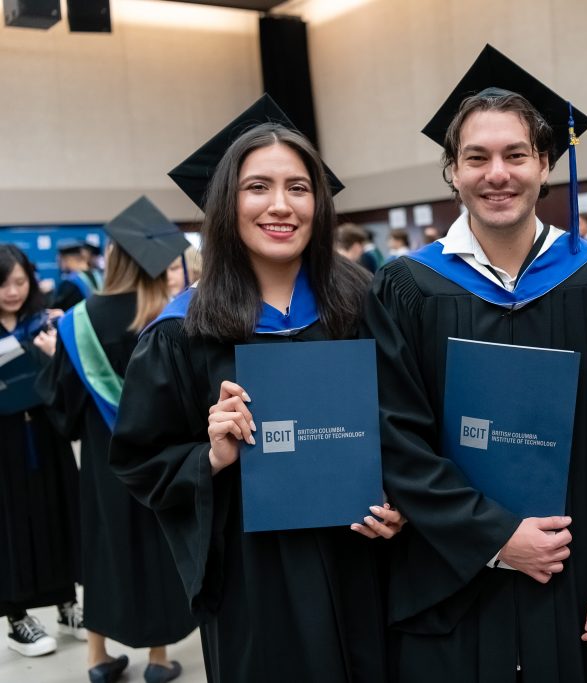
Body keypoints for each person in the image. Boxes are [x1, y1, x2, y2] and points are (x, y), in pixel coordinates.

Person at [364, 44, 587, 682]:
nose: (496, 173)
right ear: (452, 172)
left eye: (515, 155)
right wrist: (496, 536)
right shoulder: (407, 288)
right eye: (476, 158)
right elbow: (396, 436)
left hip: (582, 581)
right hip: (453, 579)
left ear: (545, 164)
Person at [108, 97, 403, 683]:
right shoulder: (182, 331)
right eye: (257, 187)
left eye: (298, 187)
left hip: (363, 560)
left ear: (319, 202)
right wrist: (210, 456)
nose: (280, 205)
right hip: (256, 577)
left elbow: (409, 425)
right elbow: (140, 459)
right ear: (226, 203)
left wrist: (402, 505)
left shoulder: (366, 304)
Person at [34, 197, 197, 683]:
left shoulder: (75, 321)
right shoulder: (170, 317)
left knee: (103, 549)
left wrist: (50, 358)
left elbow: (62, 410)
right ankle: (160, 659)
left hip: (104, 464)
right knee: (158, 548)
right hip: (161, 459)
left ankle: (97, 658)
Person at [0, 244, 83, 658]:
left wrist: (55, 352)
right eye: (3, 283)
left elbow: (70, 378)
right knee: (11, 526)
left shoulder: (46, 321)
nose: (13, 291)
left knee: (56, 514)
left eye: (20, 281)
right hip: (5, 445)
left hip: (47, 437)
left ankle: (67, 604)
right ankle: (17, 618)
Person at [51, 238, 104, 311]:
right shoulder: (100, 276)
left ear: (68, 259)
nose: (60, 265)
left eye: (60, 261)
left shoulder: (69, 284)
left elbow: (56, 311)